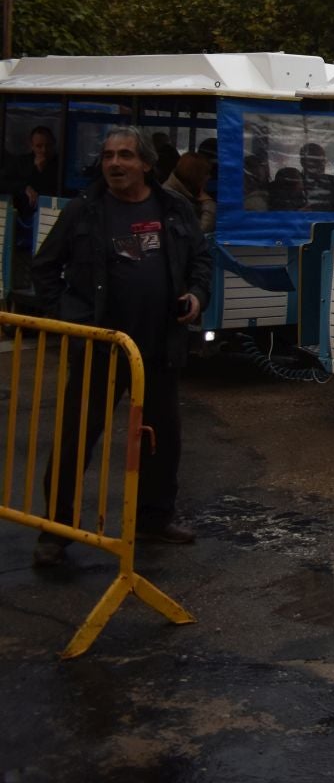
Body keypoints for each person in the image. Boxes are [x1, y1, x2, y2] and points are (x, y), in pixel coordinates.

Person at [31, 127, 211, 566]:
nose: (115, 163)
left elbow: (201, 261)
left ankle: (154, 519)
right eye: (109, 155)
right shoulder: (85, 210)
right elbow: (44, 267)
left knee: (161, 439)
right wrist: (70, 322)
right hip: (100, 349)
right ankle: (56, 530)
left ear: (147, 164)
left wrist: (196, 296)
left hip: (158, 347)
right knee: (77, 437)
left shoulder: (174, 208)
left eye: (126, 155)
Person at [163, 152, 216, 234]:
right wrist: (208, 204)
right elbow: (198, 233)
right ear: (196, 176)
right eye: (206, 173)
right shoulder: (173, 199)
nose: (209, 177)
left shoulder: (186, 192)